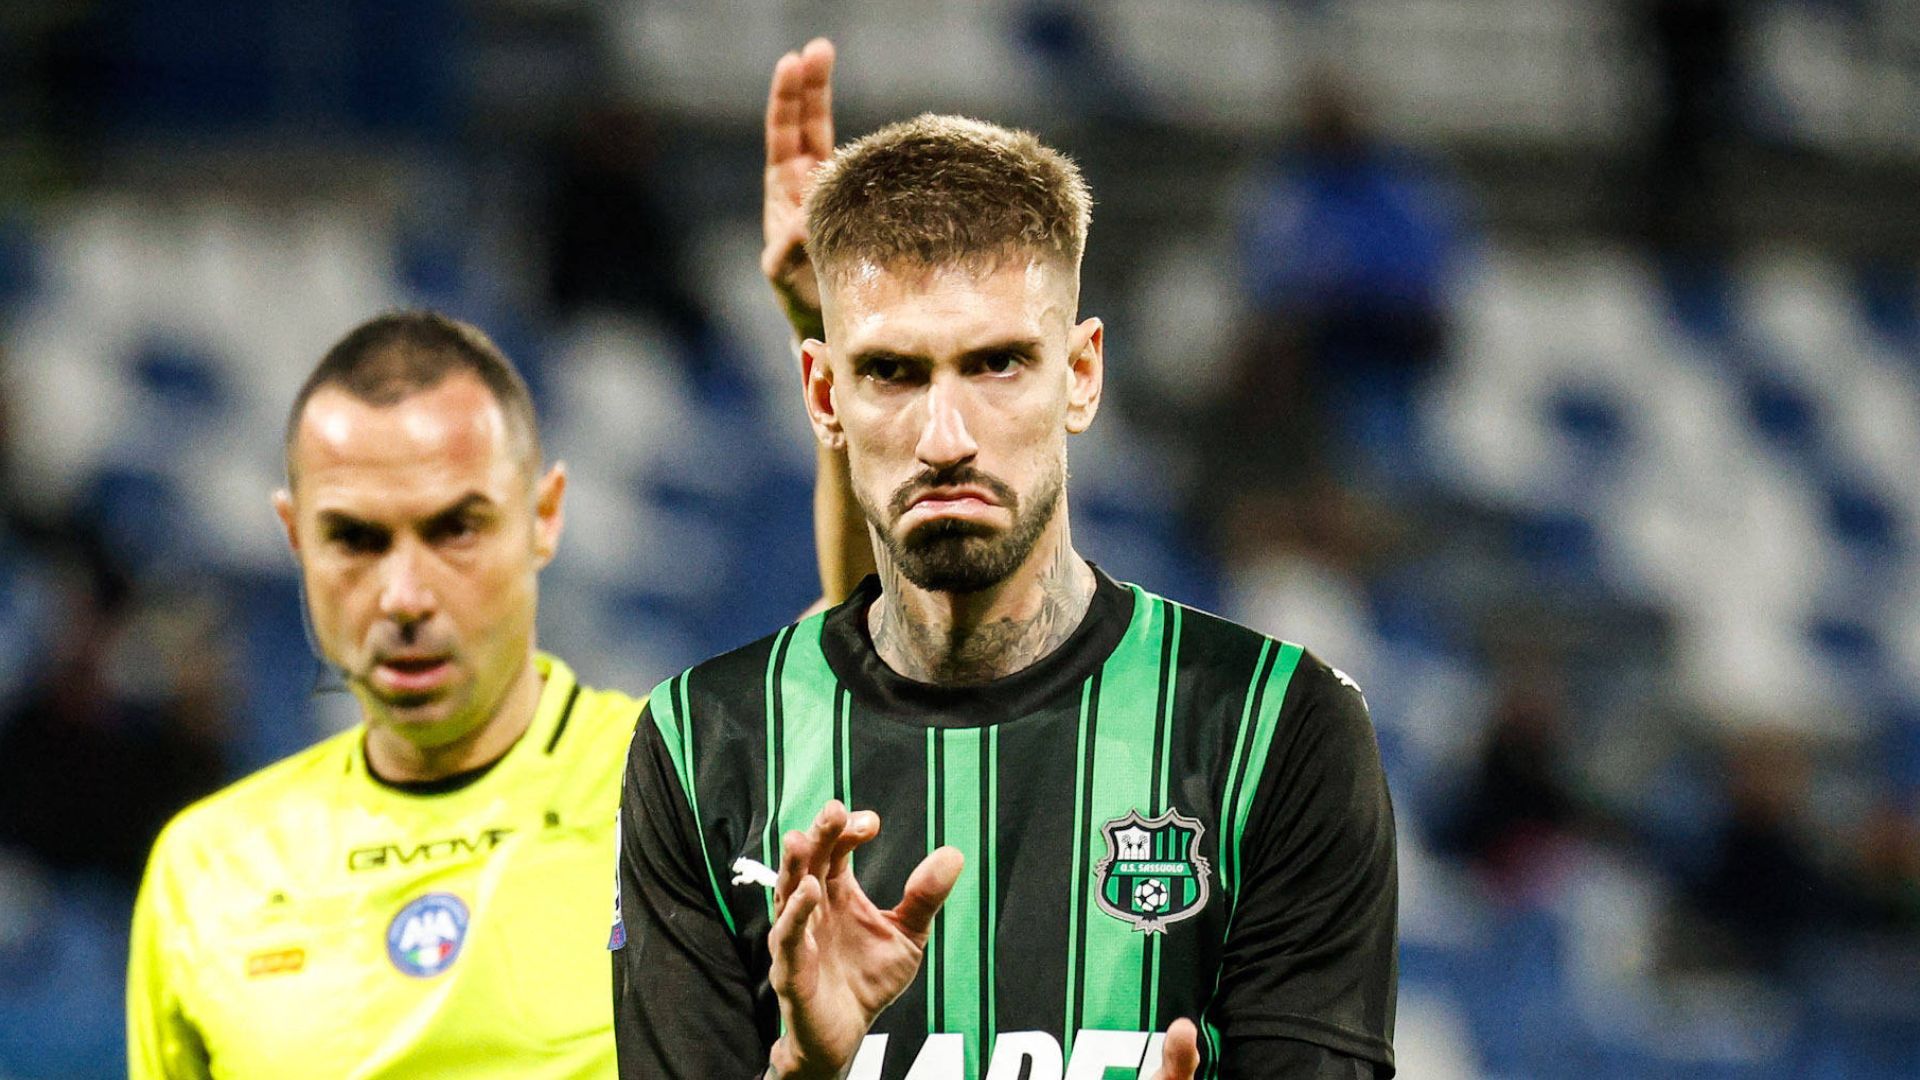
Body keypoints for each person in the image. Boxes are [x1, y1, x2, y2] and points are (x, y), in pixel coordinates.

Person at [613, 42, 1398, 1080]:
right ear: (823, 395)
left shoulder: (1275, 731)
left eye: (996, 364)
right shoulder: (701, 746)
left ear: (1081, 375)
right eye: (892, 373)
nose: (946, 436)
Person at [126, 311, 861, 1078]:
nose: (404, 597)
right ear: (294, 537)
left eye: (455, 530)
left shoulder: (684, 781)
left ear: (544, 517)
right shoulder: (207, 869)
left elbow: (865, 628)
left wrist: (824, 326)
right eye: (355, 539)